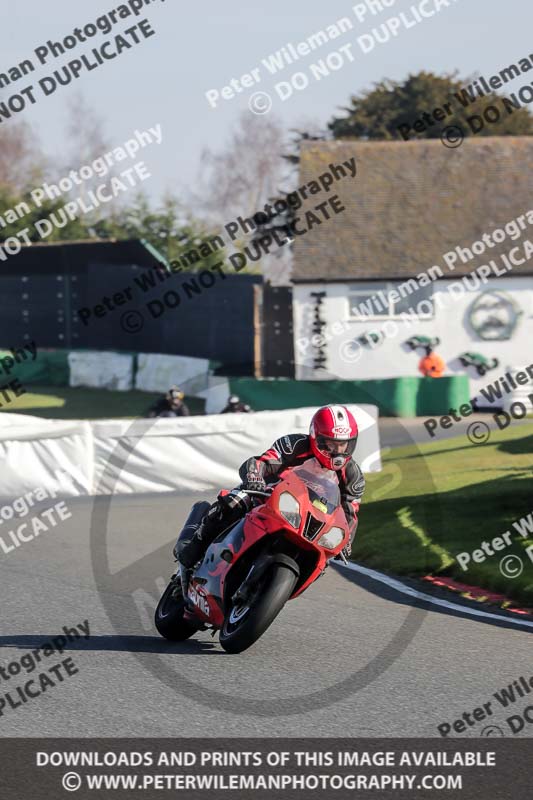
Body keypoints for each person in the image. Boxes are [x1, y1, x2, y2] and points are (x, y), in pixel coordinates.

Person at [176, 405, 365, 572]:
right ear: (316, 437)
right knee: (234, 501)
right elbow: (262, 462)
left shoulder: (353, 475)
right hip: (269, 496)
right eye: (331, 444)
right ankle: (193, 549)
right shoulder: (295, 445)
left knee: (323, 560)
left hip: (309, 517)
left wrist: (345, 542)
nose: (338, 451)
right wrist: (254, 477)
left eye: (343, 444)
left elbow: (350, 513)